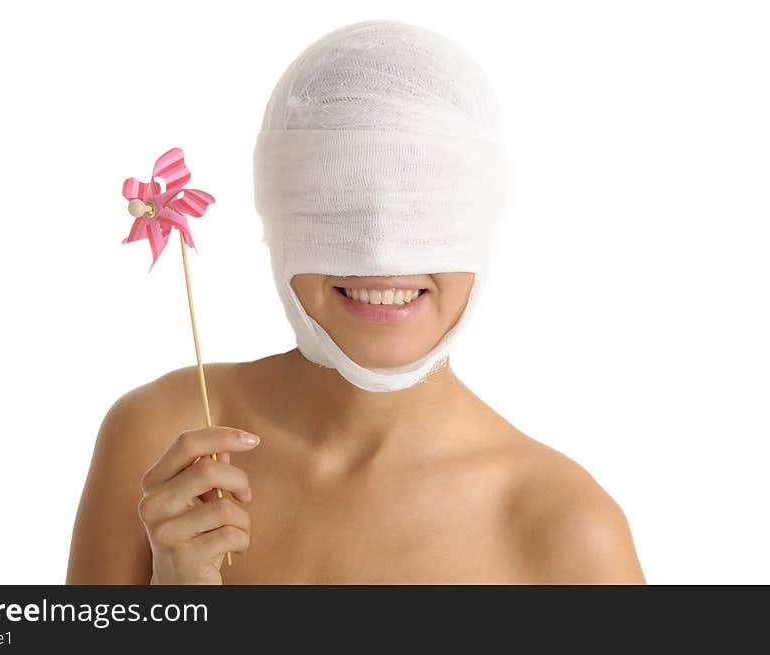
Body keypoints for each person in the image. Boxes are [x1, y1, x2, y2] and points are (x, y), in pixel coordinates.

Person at [66, 19, 645, 584]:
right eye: (338, 202)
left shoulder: (569, 531)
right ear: (276, 212)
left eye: (425, 208)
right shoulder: (165, 448)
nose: (379, 250)